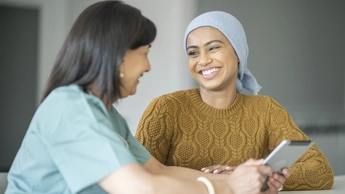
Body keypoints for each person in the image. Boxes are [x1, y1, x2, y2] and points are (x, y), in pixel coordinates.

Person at [5, 1, 288, 194]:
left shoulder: (106, 115)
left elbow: (157, 171)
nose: (148, 66)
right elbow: (143, 188)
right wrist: (227, 187)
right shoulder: (69, 109)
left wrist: (245, 179)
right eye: (145, 52)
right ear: (118, 54)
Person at [135, 10, 334, 191]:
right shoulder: (165, 109)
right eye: (193, 52)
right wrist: (227, 182)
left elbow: (321, 171)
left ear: (238, 53)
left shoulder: (266, 110)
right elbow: (137, 178)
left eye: (213, 48)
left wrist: (254, 178)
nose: (203, 60)